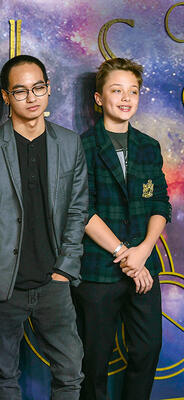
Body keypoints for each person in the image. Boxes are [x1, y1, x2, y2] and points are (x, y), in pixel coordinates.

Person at [0, 54, 88, 399]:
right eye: (20, 91)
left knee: (70, 373)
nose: (31, 97)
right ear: (6, 96)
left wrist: (65, 270)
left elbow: (77, 210)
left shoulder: (69, 143)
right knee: (4, 375)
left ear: (48, 89)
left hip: (54, 281)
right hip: (3, 284)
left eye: (38, 88)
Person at [71, 58, 171, 400]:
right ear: (99, 98)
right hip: (99, 269)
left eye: (133, 91)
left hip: (144, 267)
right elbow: (83, 210)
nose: (126, 98)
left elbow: (160, 203)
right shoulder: (82, 146)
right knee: (94, 361)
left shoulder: (148, 147)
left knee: (147, 349)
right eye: (117, 90)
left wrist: (142, 252)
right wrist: (123, 253)